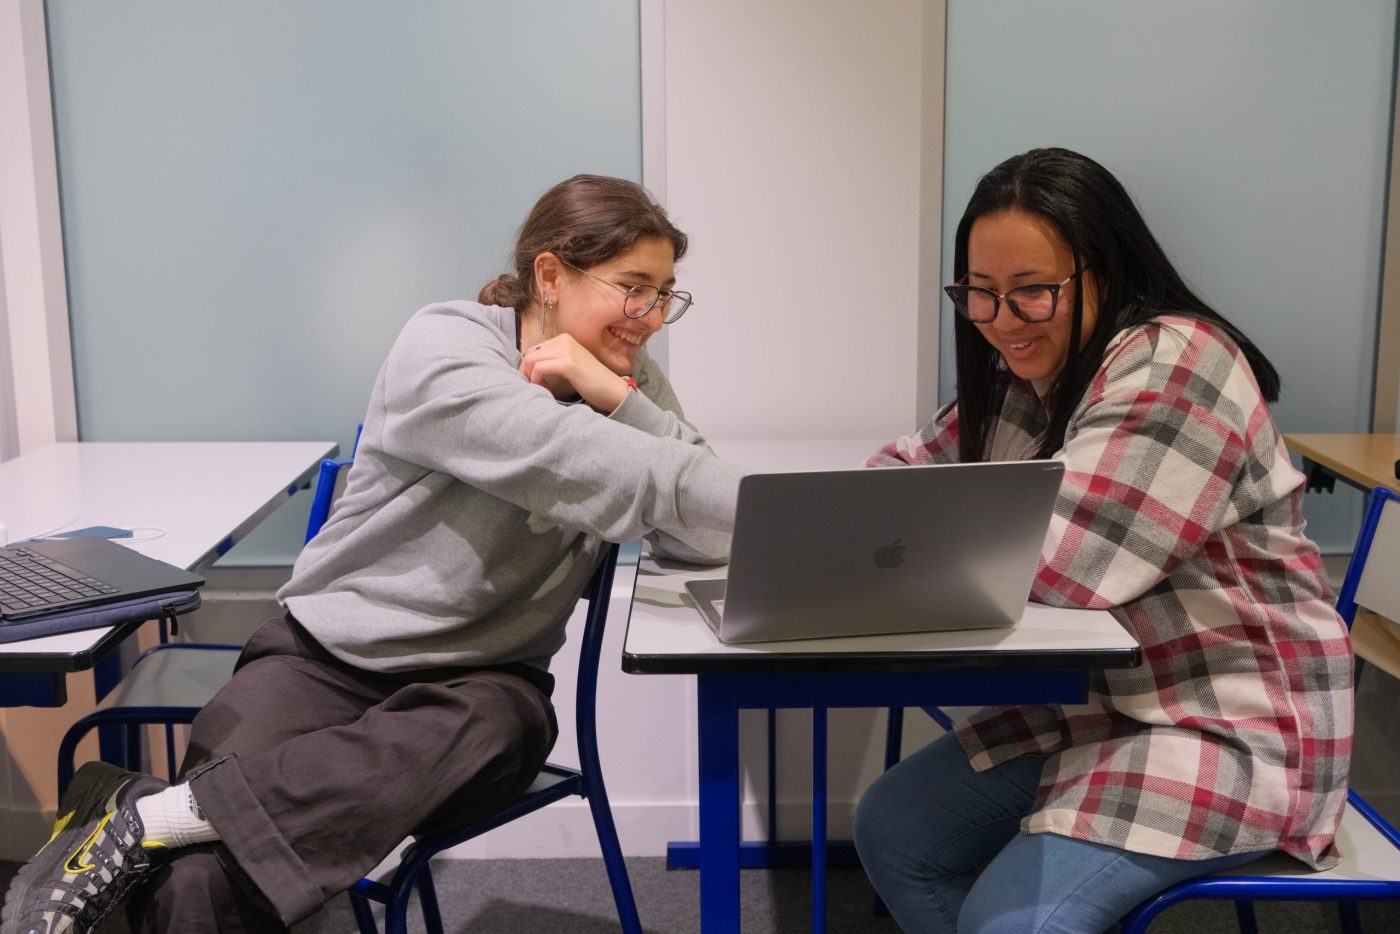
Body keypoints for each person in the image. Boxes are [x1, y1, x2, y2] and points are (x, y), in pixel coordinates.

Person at [1, 174, 742, 934]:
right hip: (320, 660)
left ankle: (148, 813)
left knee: (498, 730)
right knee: (204, 876)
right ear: (550, 276)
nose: (650, 317)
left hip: (481, 686)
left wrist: (616, 395)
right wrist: (632, 425)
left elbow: (719, 526)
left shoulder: (628, 385)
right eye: (634, 288)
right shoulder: (444, 348)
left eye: (665, 294)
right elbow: (590, 460)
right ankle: (169, 822)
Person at [852, 148, 1353, 934]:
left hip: (1226, 727)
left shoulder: (1178, 363)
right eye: (978, 294)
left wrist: (912, 537)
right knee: (894, 829)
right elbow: (900, 476)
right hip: (1099, 709)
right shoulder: (1029, 379)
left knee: (1008, 920)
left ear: (1104, 272)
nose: (1001, 322)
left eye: (1031, 294)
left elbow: (1071, 562)